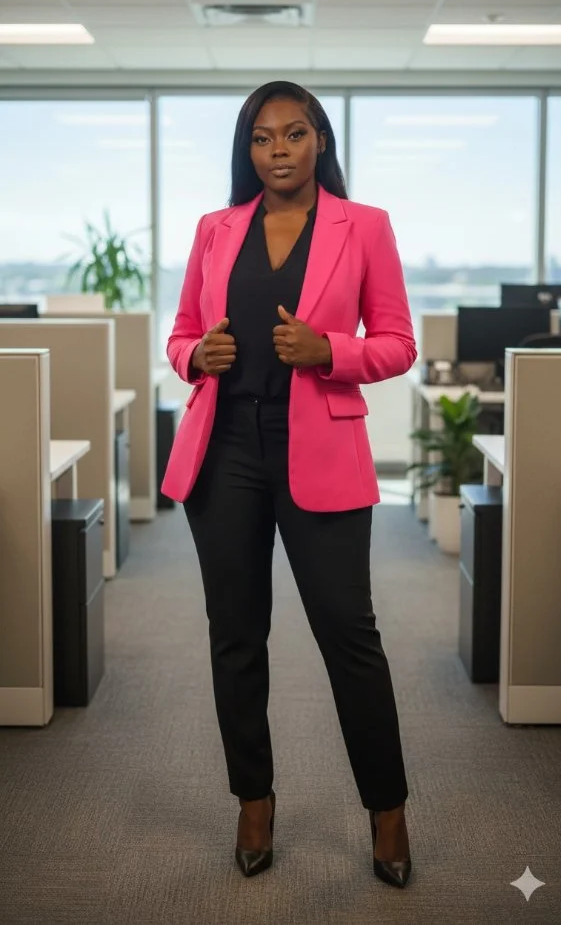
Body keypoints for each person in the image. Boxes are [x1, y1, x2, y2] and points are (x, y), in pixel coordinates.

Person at [161, 81, 418, 888]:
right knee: (236, 636)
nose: (278, 150)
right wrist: (193, 356)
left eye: (294, 134)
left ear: (320, 141)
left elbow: (398, 342)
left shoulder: (363, 226)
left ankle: (386, 808)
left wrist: (330, 351)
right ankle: (254, 799)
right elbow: (179, 334)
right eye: (262, 138)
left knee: (350, 635)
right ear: (247, 150)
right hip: (226, 449)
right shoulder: (215, 229)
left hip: (321, 451)